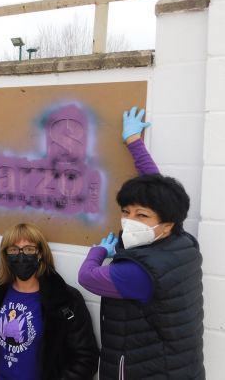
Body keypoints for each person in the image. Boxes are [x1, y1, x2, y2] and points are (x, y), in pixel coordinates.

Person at [78, 107, 204, 379]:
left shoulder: (138, 273)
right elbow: (156, 192)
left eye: (141, 215)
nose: (130, 221)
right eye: (125, 212)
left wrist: (98, 251)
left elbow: (87, 277)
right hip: (179, 365)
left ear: (166, 222)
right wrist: (134, 142)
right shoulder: (179, 240)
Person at [0, 223, 99, 380]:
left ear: (40, 253)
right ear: (5, 255)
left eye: (29, 249)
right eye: (13, 250)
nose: (21, 255)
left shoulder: (65, 299)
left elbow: (85, 357)